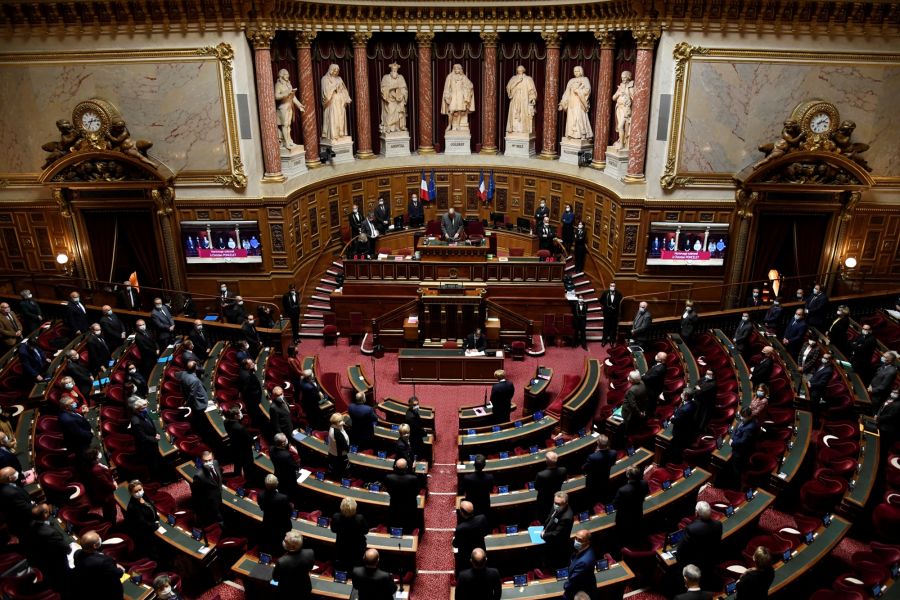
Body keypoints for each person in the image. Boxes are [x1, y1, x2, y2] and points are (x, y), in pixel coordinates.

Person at [676, 501, 723, 591]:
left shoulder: (691, 529)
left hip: (695, 564)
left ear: (696, 513)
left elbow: (681, 551)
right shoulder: (718, 524)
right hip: (711, 561)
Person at [25, 503, 71, 589]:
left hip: (40, 555)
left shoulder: (30, 524)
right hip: (56, 560)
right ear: (45, 514)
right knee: (64, 577)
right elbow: (66, 548)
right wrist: (69, 550)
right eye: (48, 511)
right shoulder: (51, 533)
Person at [72, 531, 124, 599]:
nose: (100, 538)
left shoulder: (77, 553)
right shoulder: (104, 562)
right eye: (98, 538)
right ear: (94, 546)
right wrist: (120, 569)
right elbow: (118, 574)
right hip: (103, 590)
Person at [613, 467, 649, 555]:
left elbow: (615, 505)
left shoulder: (623, 490)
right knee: (635, 531)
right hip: (638, 513)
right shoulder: (644, 483)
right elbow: (646, 493)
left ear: (628, 476)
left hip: (624, 518)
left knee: (623, 536)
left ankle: (622, 551)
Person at [271, 531, 315, 600]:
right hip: (304, 589)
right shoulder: (310, 552)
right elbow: (310, 567)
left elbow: (275, 578)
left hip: (286, 592)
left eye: (285, 540)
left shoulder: (282, 561)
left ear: (287, 545)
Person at [331, 497, 369, 572]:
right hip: (357, 550)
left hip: (341, 548)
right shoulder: (360, 519)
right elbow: (366, 531)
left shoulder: (336, 517)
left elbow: (333, 530)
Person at [124, 480, 160, 560]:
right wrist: (155, 525)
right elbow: (142, 522)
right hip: (143, 533)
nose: (139, 492)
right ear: (131, 493)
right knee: (154, 552)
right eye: (136, 491)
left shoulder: (144, 496)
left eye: (140, 489)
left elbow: (151, 506)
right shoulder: (133, 507)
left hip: (151, 523)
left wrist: (156, 517)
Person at [258, 474, 293, 555]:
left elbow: (262, 508)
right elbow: (289, 513)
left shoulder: (260, 495)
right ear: (277, 484)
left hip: (267, 522)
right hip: (282, 525)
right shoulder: (283, 498)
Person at [540, 490, 574, 569]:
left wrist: (544, 535)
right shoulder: (556, 505)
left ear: (566, 503)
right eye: (555, 503)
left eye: (558, 504)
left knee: (553, 564)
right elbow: (550, 517)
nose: (556, 505)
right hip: (550, 538)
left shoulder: (567, 517)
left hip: (558, 545)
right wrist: (544, 528)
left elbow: (556, 534)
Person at [453, 500, 489, 574]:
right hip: (481, 550)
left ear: (462, 513)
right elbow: (486, 532)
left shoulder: (460, 528)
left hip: (466, 556)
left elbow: (456, 544)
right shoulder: (482, 518)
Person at [385, 458, 420, 534]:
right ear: (407, 467)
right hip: (410, 507)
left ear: (395, 466)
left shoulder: (389, 477)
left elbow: (388, 490)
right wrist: (413, 471)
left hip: (394, 506)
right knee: (408, 528)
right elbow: (417, 492)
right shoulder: (413, 478)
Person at [558, 65, 592, 140]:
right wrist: (562, 103)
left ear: (581, 71)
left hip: (579, 102)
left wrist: (578, 91)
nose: (576, 73)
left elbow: (587, 90)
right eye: (575, 71)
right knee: (571, 118)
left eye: (577, 71)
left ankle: (583, 134)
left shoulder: (585, 79)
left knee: (579, 117)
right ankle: (571, 134)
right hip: (571, 102)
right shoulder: (571, 81)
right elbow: (567, 92)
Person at [84, 448, 117, 523]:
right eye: (98, 452)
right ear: (94, 457)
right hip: (106, 495)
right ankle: (112, 526)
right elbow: (105, 483)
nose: (99, 453)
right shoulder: (96, 470)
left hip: (101, 493)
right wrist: (114, 486)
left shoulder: (93, 466)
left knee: (107, 510)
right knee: (111, 512)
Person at [191, 450, 223, 526]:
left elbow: (219, 477)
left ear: (213, 458)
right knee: (217, 522)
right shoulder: (198, 476)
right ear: (202, 461)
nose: (208, 463)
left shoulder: (216, 463)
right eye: (205, 461)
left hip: (219, 496)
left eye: (210, 460)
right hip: (209, 503)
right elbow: (196, 495)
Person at [274, 68, 304, 150]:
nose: (287, 76)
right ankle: (286, 142)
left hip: (290, 106)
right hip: (282, 108)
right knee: (285, 125)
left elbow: (293, 97)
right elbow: (276, 96)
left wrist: (299, 105)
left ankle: (289, 140)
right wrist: (286, 93)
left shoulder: (288, 84)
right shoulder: (278, 85)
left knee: (288, 125)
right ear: (281, 75)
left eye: (288, 74)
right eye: (285, 74)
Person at [583, 434, 617, 505]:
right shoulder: (614, 453)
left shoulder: (592, 457)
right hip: (605, 477)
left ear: (597, 443)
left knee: (592, 498)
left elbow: (585, 468)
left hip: (593, 481)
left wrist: (596, 453)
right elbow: (613, 463)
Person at [321, 64, 352, 140]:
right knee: (334, 117)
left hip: (340, 100)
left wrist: (346, 98)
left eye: (337, 71)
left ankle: (341, 133)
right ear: (331, 70)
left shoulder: (339, 79)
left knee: (341, 117)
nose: (336, 72)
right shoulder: (325, 79)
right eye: (334, 71)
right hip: (332, 101)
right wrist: (334, 86)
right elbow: (325, 91)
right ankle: (334, 134)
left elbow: (344, 89)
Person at [565, 529, 597, 600]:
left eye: (580, 540)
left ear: (587, 541)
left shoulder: (584, 562)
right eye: (576, 538)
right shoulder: (585, 550)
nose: (576, 541)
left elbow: (572, 583)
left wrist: (565, 586)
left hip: (580, 594)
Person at [729, 408, 758, 487]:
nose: (741, 418)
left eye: (744, 416)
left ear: (749, 416)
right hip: (737, 446)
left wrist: (732, 442)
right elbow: (738, 428)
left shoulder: (750, 427)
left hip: (740, 452)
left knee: (736, 470)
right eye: (741, 416)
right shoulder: (746, 420)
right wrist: (733, 437)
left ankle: (736, 486)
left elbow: (743, 441)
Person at [441, 64, 475, 131]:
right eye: (456, 68)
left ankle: (458, 125)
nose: (457, 70)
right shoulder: (450, 76)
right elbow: (446, 87)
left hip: (460, 96)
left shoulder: (463, 77)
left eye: (458, 69)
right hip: (453, 96)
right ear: (453, 69)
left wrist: (466, 90)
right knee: (451, 111)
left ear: (460, 69)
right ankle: (449, 125)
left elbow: (470, 85)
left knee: (459, 111)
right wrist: (447, 95)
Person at [668, 388, 699, 463]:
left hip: (679, 431)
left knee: (676, 447)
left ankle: (673, 461)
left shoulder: (683, 410)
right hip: (687, 428)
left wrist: (672, 419)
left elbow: (676, 421)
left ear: (686, 396)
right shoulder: (694, 404)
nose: (681, 394)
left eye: (683, 393)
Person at [505, 65, 537, 135]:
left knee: (523, 113)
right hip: (515, 98)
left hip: (524, 99)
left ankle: (523, 129)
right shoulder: (513, 78)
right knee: (514, 113)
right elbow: (508, 87)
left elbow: (531, 90)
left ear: (523, 70)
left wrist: (533, 98)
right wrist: (517, 82)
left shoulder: (528, 79)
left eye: (521, 69)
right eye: (518, 70)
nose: (520, 71)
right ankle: (513, 128)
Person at [535, 451, 567, 520]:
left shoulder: (541, 475)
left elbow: (536, 487)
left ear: (546, 461)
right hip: (557, 496)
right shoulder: (563, 470)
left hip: (544, 500)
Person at [224, 406, 253, 480]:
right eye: (239, 413)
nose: (241, 414)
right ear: (235, 416)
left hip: (234, 446)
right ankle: (249, 479)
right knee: (247, 466)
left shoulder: (226, 422)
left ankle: (237, 475)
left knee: (237, 463)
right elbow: (249, 439)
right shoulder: (240, 428)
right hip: (244, 450)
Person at [461, 454, 494, 518]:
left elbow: (462, 490)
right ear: (484, 466)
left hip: (471, 507)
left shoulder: (467, 478)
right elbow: (491, 490)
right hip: (485, 507)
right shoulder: (490, 477)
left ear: (474, 465)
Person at [620, 370, 647, 448]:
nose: (628, 378)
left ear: (632, 380)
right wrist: (642, 411)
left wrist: (639, 413)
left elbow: (633, 405)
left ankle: (626, 441)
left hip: (630, 413)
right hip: (640, 408)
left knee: (627, 427)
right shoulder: (642, 383)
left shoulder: (631, 391)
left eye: (629, 377)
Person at [380, 62, 408, 134]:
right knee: (390, 111)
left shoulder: (401, 77)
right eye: (393, 70)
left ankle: (398, 127)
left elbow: (404, 89)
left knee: (399, 113)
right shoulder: (386, 77)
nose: (394, 71)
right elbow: (383, 89)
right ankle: (389, 127)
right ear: (391, 70)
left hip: (398, 100)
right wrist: (391, 88)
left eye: (396, 70)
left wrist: (402, 95)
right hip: (390, 99)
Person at [271, 433, 300, 500]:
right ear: (283, 444)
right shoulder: (286, 455)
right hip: (288, 479)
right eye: (285, 439)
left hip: (278, 474)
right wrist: (296, 453)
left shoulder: (271, 449)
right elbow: (295, 466)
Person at [641, 352, 667, 419]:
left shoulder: (659, 369)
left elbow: (649, 379)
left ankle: (647, 416)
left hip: (652, 390)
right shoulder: (661, 365)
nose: (656, 356)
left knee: (650, 403)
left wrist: (643, 376)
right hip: (655, 387)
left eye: (657, 356)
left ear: (660, 360)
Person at [612, 71, 634, 149]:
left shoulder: (631, 87)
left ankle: (622, 144)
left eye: (624, 77)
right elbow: (613, 98)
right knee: (619, 127)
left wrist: (625, 94)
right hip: (619, 109)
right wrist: (618, 94)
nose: (623, 79)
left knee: (620, 126)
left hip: (626, 109)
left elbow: (634, 98)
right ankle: (621, 141)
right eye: (622, 77)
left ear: (628, 77)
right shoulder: (621, 86)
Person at [809, 354, 834, 419]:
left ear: (829, 360)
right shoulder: (822, 365)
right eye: (823, 357)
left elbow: (822, 383)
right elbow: (816, 375)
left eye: (825, 358)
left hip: (817, 390)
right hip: (812, 385)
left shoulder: (829, 370)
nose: (823, 359)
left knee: (813, 407)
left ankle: (813, 420)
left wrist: (811, 384)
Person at [327, 413, 350, 478]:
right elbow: (344, 446)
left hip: (332, 452)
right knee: (342, 471)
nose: (343, 422)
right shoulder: (337, 433)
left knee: (335, 469)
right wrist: (348, 449)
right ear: (336, 422)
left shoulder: (332, 426)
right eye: (340, 421)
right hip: (339, 456)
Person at [599, 281, 621, 346]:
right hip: (607, 314)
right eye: (611, 285)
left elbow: (620, 303)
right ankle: (604, 340)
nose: (612, 287)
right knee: (606, 327)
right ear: (609, 286)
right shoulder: (605, 293)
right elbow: (600, 300)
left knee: (613, 328)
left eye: (613, 286)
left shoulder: (619, 294)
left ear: (615, 287)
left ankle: (612, 340)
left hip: (614, 314)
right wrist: (606, 306)